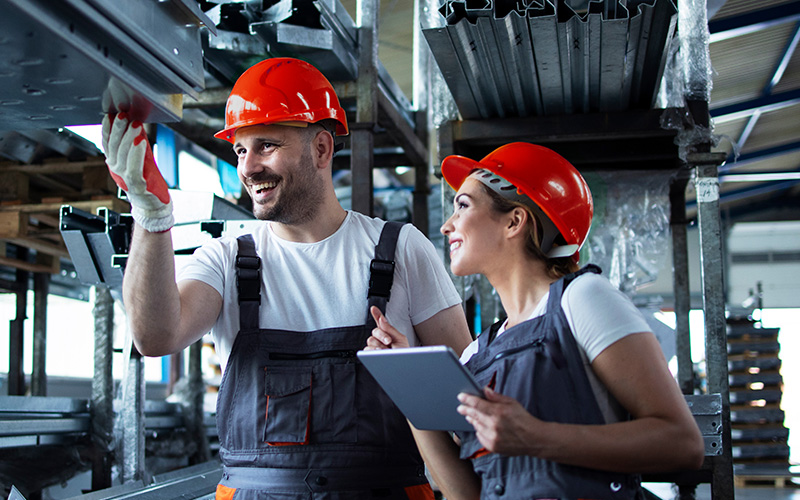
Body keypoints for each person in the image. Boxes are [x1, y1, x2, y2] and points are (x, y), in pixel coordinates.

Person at [101, 57, 472, 500]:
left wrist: (412, 370)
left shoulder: (402, 249)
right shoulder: (226, 259)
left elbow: (462, 407)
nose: (248, 167)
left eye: (266, 146)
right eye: (240, 150)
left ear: (320, 148)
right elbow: (154, 337)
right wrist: (151, 215)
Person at [367, 142, 706, 499]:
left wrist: (537, 437)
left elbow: (682, 442)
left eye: (462, 206)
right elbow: (466, 495)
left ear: (515, 221)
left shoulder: (584, 300)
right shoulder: (478, 354)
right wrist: (408, 387)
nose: (447, 226)